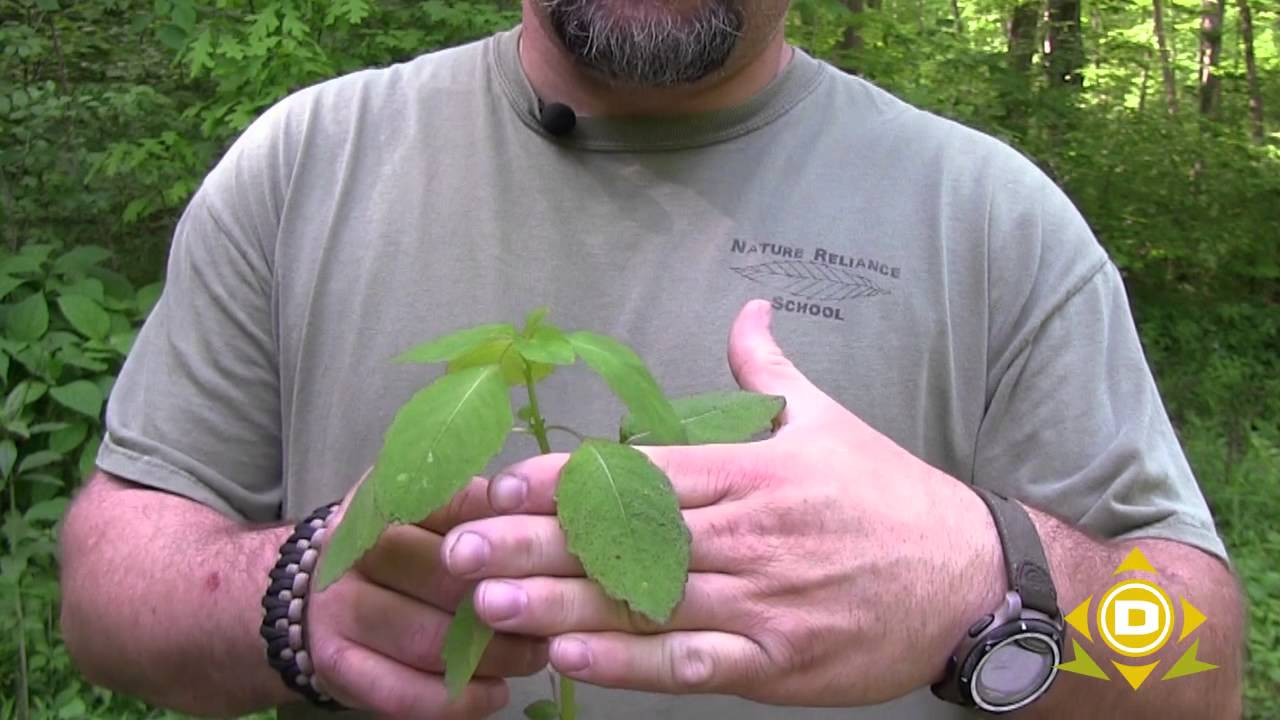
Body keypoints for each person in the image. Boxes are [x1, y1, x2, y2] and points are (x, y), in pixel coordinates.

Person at [59, 0, 1244, 718]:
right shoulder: (307, 165)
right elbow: (107, 591)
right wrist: (284, 598)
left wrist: (993, 586)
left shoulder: (987, 219)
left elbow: (1195, 671)